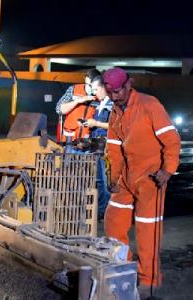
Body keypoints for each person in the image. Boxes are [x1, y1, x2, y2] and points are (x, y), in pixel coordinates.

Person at [102, 67, 181, 299]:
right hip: (126, 178)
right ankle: (124, 270)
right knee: (113, 222)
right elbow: (114, 148)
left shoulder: (149, 104)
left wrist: (168, 170)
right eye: (110, 92)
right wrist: (115, 177)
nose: (115, 96)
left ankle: (149, 280)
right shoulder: (115, 111)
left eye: (117, 91)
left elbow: (171, 139)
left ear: (129, 84)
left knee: (148, 232)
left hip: (150, 178)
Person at [86, 75, 113, 219]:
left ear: (104, 87)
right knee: (98, 180)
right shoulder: (100, 104)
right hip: (96, 147)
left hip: (106, 148)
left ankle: (104, 212)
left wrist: (95, 123)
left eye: (96, 89)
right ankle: (101, 210)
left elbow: (115, 126)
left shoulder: (112, 104)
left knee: (104, 181)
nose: (94, 92)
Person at [56, 68, 101, 143]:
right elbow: (59, 110)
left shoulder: (102, 95)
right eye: (86, 84)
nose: (88, 87)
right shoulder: (73, 89)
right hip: (70, 138)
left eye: (90, 85)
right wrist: (77, 101)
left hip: (89, 139)